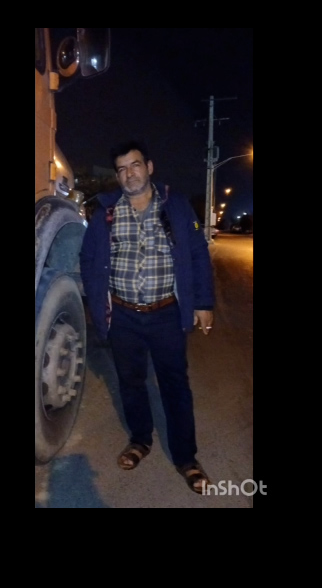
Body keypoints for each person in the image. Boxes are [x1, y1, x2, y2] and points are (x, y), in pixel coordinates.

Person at [79, 140, 215, 494]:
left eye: (135, 165)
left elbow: (198, 253)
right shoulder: (105, 212)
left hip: (166, 313)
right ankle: (140, 440)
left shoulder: (177, 206)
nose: (129, 174)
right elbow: (88, 258)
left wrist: (203, 302)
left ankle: (186, 458)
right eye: (122, 169)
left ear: (149, 167)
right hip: (122, 315)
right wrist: (97, 300)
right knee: (131, 382)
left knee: (174, 384)